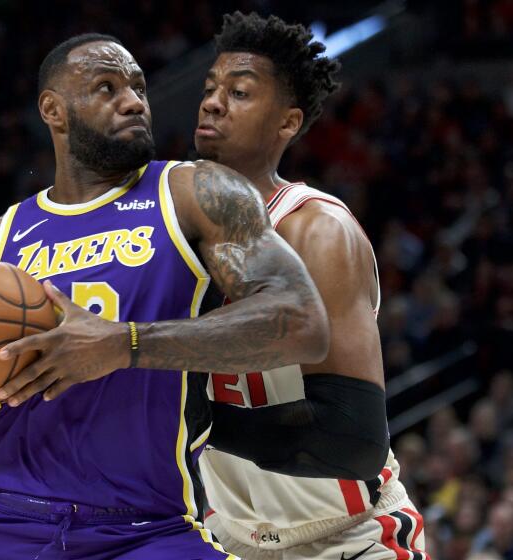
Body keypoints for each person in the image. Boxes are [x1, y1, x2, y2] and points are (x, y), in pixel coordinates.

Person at [0, 32, 332, 559]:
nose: (133, 101)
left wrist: (124, 344)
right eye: (106, 87)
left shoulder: (196, 192)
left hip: (147, 527)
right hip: (3, 519)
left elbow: (301, 322)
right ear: (53, 110)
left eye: (137, 87)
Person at [194, 12, 428, 560]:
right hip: (230, 536)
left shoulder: (317, 230)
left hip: (349, 535)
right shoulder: (167, 228)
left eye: (240, 92)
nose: (212, 102)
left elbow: (352, 439)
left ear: (287, 123)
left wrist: (193, 419)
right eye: (210, 88)